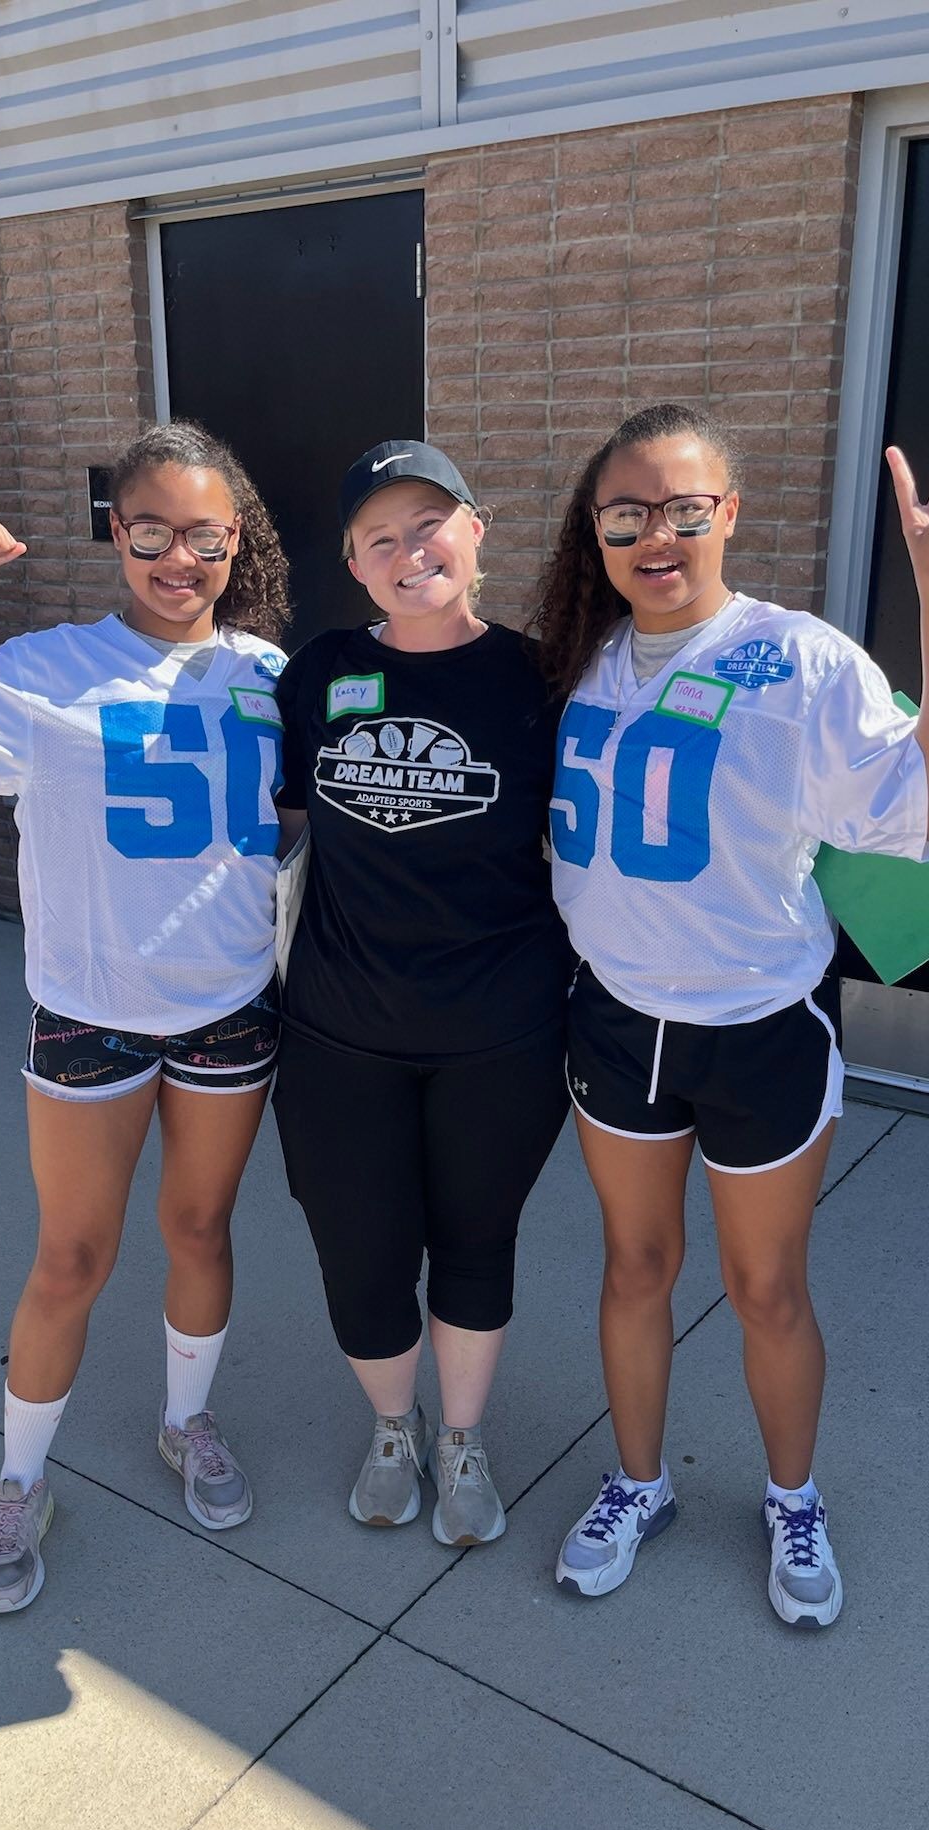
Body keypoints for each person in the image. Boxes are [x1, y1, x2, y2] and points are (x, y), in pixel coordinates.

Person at [531, 401, 929, 1627]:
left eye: (685, 509)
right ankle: (640, 1482)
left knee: (765, 1283)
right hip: (616, 1018)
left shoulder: (799, 658)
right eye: (627, 515)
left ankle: (794, 1495)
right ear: (598, 530)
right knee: (633, 1264)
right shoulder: (574, 659)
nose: (656, 535)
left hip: (760, 1028)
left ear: (728, 513)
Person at [0, 421, 293, 1613]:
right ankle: (20, 1479)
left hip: (230, 1014)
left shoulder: (274, 676)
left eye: (201, 535)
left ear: (234, 536)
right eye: (149, 533)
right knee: (72, 1257)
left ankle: (187, 1422)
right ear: (115, 532)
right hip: (91, 1015)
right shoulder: (48, 671)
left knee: (201, 1232)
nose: (175, 558)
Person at [272, 441, 572, 1546]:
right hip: (340, 1031)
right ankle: (395, 1425)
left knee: (476, 1238)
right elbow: (284, 827)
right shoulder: (317, 675)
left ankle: (463, 1438)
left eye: (431, 522)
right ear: (354, 563)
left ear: (477, 529)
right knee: (358, 1248)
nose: (412, 551)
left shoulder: (543, 680)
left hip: (499, 1029)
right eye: (381, 536)